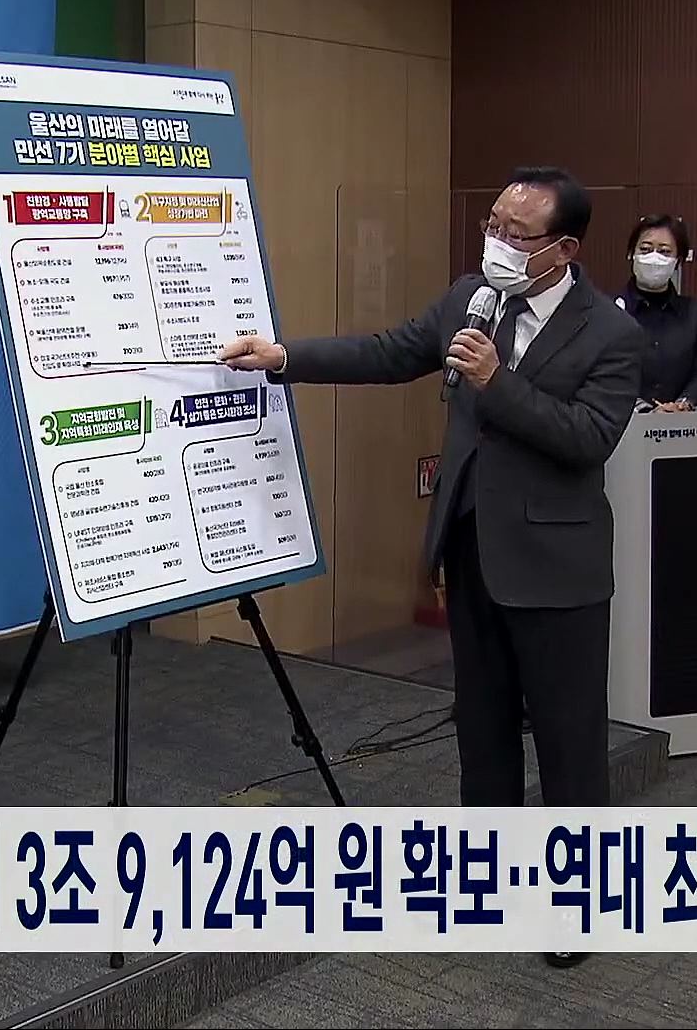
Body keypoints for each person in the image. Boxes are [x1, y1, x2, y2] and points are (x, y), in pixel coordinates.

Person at [220, 167, 643, 968]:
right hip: (473, 551)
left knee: (568, 742)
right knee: (481, 732)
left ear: (564, 249)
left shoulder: (611, 335)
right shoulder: (468, 299)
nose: (499, 243)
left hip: (558, 569)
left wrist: (495, 381)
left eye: (517, 234)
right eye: (494, 224)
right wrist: (281, 356)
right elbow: (388, 352)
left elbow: (588, 439)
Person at [616, 214, 697, 413]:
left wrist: (682, 405)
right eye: (645, 249)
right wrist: (645, 410)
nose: (654, 257)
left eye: (664, 251)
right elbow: (601, 375)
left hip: (680, 424)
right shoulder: (609, 311)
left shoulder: (696, 315)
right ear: (631, 254)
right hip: (622, 424)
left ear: (678, 261)